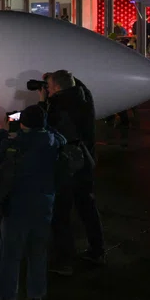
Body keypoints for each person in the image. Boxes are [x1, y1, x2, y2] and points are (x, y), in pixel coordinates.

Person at [0, 105, 64, 300]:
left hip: (17, 205)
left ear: (23, 123)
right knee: (38, 251)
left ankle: (7, 298)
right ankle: (36, 296)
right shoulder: (53, 141)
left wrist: (3, 131)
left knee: (10, 253)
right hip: (44, 204)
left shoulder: (17, 143)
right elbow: (61, 138)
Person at [39, 70, 104, 274]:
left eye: (49, 86)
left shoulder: (58, 106)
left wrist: (43, 102)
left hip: (66, 166)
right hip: (85, 161)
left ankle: (64, 262)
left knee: (61, 214)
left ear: (57, 88)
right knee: (87, 207)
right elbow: (74, 83)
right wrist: (54, 78)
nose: (47, 90)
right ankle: (97, 251)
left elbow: (45, 127)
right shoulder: (85, 98)